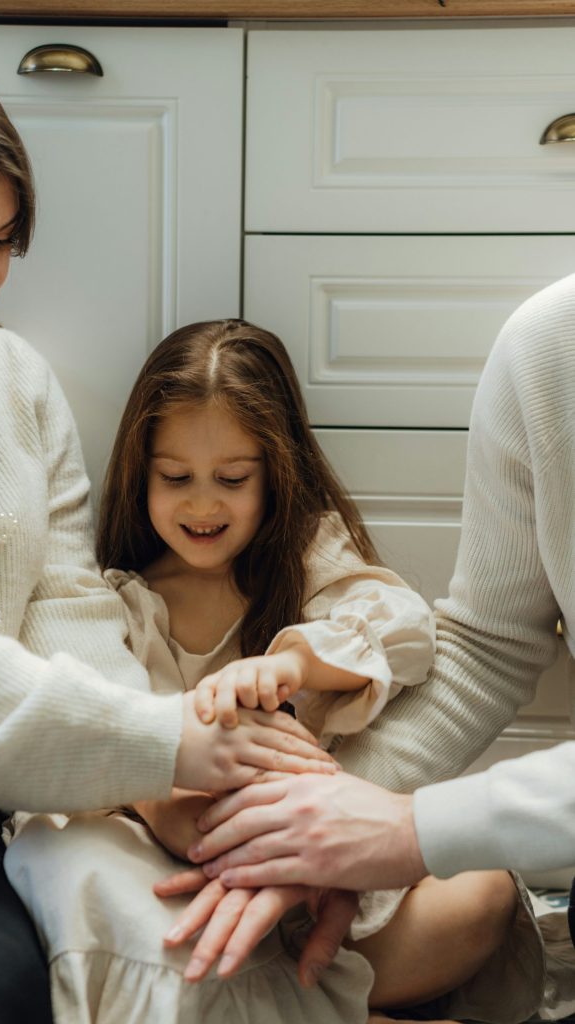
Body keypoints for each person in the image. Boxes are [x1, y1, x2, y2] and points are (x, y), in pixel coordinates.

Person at [0, 34, 334, 1024]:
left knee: (193, 949)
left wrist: (149, 787)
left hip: (3, 790)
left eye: (6, 239)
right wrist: (160, 743)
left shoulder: (11, 379)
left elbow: (64, 599)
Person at [4, 319, 542, 1024]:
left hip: (317, 864)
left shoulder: (310, 562)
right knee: (69, 858)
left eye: (231, 479)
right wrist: (163, 795)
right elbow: (87, 734)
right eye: (176, 478)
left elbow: (405, 631)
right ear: (142, 473)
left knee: (483, 891)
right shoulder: (122, 601)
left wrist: (293, 661)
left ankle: (292, 1000)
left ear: (275, 468)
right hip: (178, 868)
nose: (202, 505)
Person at [179, 274, 575, 1020]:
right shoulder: (547, 345)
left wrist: (406, 832)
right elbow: (489, 646)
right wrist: (313, 826)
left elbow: (392, 629)